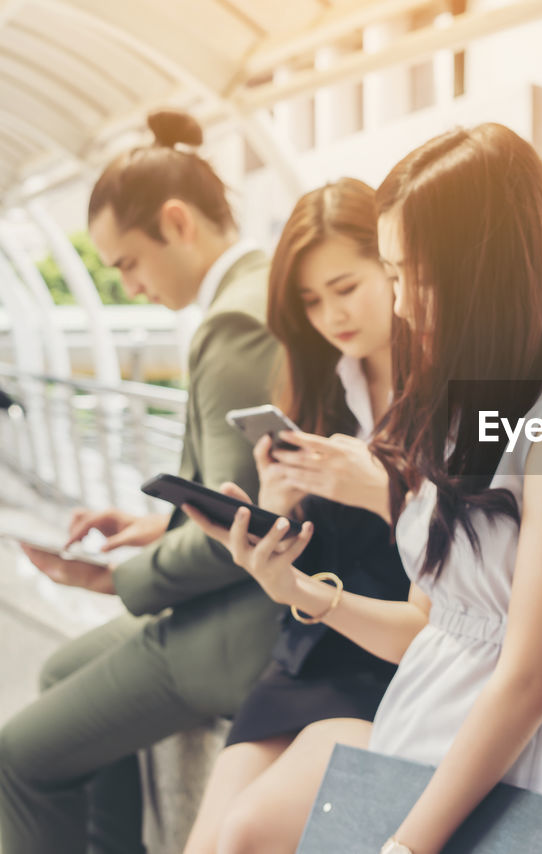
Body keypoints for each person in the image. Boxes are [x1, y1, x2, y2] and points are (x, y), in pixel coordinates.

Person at [187, 122, 542, 854]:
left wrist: (406, 844)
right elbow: (437, 630)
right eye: (391, 275)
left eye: (411, 275)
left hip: (501, 779)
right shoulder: (470, 407)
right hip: (417, 742)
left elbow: (529, 676)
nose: (398, 306)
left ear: (483, 265)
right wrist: (301, 593)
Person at [0, 110, 282, 854]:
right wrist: (159, 527)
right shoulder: (256, 292)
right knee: (62, 669)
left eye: (128, 263)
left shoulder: (234, 325)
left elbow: (240, 537)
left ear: (178, 222)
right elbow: (253, 492)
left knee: (18, 758)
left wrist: (113, 579)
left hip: (245, 627)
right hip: (248, 605)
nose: (128, 285)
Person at [182, 178, 412, 854]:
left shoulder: (448, 393)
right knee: (206, 844)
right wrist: (271, 519)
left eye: (346, 287)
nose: (330, 315)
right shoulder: (318, 384)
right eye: (310, 300)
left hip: (395, 661)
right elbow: (311, 569)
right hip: (308, 653)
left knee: (247, 835)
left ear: (393, 265)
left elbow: (462, 556)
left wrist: (379, 492)